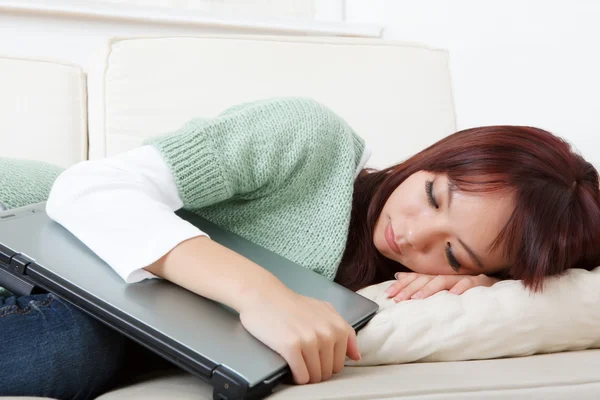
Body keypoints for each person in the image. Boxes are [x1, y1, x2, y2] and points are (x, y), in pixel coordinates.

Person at [1, 97, 599, 399]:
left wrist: (487, 286)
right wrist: (261, 295)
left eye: (453, 254)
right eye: (435, 197)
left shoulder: (362, 291)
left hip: (69, 304)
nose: (413, 234)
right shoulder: (309, 139)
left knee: (93, 341)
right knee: (83, 340)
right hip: (21, 222)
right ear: (437, 156)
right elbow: (88, 190)